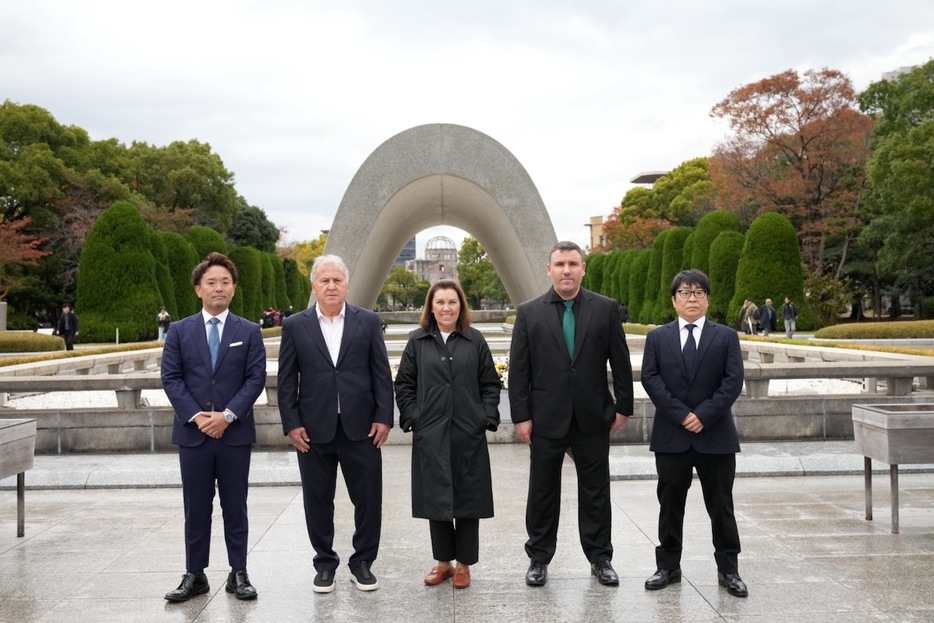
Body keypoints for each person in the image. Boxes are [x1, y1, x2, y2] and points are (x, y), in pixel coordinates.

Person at [508, 240, 634, 588]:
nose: (566, 270)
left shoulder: (605, 309)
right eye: (560, 264)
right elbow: (519, 371)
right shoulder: (529, 312)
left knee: (596, 491)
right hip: (546, 418)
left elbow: (620, 362)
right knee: (543, 491)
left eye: (573, 264)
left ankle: (600, 557)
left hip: (593, 417)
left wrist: (623, 405)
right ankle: (538, 558)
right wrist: (521, 416)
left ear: (583, 269)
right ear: (548, 270)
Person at [277, 255, 394, 594]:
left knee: (368, 499)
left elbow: (380, 373)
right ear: (314, 285)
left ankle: (362, 563)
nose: (331, 286)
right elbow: (287, 381)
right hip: (313, 431)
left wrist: (384, 416)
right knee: (317, 499)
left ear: (346, 285)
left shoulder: (367, 321)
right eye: (324, 281)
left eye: (337, 281)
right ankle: (325, 563)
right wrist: (292, 424)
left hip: (362, 428)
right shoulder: (295, 325)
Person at [160, 252, 267, 603]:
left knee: (236, 506)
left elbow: (255, 379)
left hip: (234, 434)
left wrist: (228, 416)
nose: (218, 287)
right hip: (194, 435)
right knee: (196, 506)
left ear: (233, 289)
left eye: (225, 282)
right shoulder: (179, 331)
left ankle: (239, 572)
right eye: (211, 282)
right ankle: (195, 573)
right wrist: (198, 417)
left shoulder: (249, 331)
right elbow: (171, 378)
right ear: (198, 289)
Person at [641, 269, 748, 598]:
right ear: (674, 300)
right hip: (672, 436)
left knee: (721, 504)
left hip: (715, 435)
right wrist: (682, 415)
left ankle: (729, 569)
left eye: (699, 293)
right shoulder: (658, 338)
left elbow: (732, 382)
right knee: (670, 504)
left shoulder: (726, 337)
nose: (692, 298)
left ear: (707, 299)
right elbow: (651, 379)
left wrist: (702, 415)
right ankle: (668, 567)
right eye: (685, 293)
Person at [394, 280, 501, 590]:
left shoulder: (474, 340)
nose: (446, 308)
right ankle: (443, 562)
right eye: (439, 302)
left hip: (468, 431)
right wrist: (414, 417)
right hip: (431, 432)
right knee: (436, 496)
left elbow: (491, 385)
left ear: (460, 306)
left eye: (452, 302)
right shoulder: (417, 341)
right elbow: (404, 385)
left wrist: (485, 417)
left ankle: (464, 564)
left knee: (468, 497)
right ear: (431, 307)